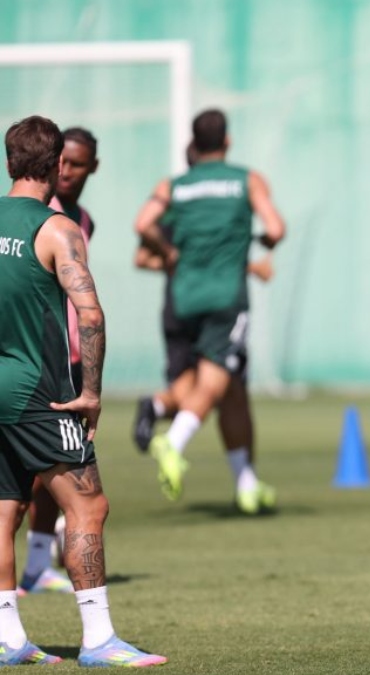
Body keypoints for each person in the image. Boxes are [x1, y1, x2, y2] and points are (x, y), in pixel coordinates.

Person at [0, 114, 166, 666]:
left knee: (3, 509)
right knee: (88, 504)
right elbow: (89, 314)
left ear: (9, 162)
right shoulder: (58, 228)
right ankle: (98, 639)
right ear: (53, 165)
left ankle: (7, 637)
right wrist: (90, 393)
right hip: (39, 390)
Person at [134, 109, 286, 514]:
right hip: (225, 299)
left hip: (184, 298)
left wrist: (169, 251)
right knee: (215, 381)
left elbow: (143, 223)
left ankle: (247, 485)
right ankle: (173, 441)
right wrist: (264, 243)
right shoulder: (246, 180)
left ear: (194, 142)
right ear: (228, 141)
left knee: (232, 387)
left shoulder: (173, 186)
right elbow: (276, 228)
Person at [18, 126, 102, 595]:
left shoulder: (82, 219)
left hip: (69, 359)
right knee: (48, 477)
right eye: (62, 161)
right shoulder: (36, 216)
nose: (67, 171)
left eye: (78, 163)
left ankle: (36, 565)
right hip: (36, 361)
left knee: (55, 471)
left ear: (93, 167)